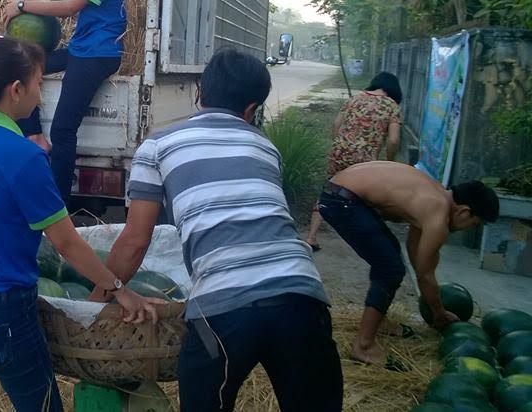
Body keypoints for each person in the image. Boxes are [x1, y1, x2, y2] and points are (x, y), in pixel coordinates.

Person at [90, 48, 343, 412]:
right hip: (302, 298)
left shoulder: (157, 146)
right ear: (252, 110)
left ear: (199, 94)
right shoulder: (266, 148)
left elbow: (134, 240)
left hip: (224, 312)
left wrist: (95, 303)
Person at [0, 36, 161, 412]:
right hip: (1, 314)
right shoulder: (23, 156)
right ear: (16, 90)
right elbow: (66, 244)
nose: (41, 94)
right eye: (38, 83)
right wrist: (118, 288)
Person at [1, 0, 128, 201]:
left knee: (63, 130)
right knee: (22, 64)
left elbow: (70, 7)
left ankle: (57, 206)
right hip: (80, 49)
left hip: (98, 55)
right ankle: (33, 135)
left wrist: (21, 4)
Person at [319, 161, 500, 365]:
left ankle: (380, 322)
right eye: (474, 224)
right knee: (390, 268)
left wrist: (431, 296)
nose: (468, 228)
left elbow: (418, 258)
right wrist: (438, 312)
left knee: (391, 256)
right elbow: (424, 276)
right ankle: (363, 346)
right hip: (341, 200)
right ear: (464, 212)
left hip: (337, 191)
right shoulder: (438, 216)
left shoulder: (434, 197)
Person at [306, 72, 404, 251]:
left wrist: (341, 146)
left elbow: (336, 124)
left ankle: (311, 237)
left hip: (339, 153)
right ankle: (364, 239)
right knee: (367, 199)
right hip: (364, 162)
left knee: (329, 191)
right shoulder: (391, 106)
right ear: (394, 89)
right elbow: (393, 140)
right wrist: (390, 162)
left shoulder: (355, 98)